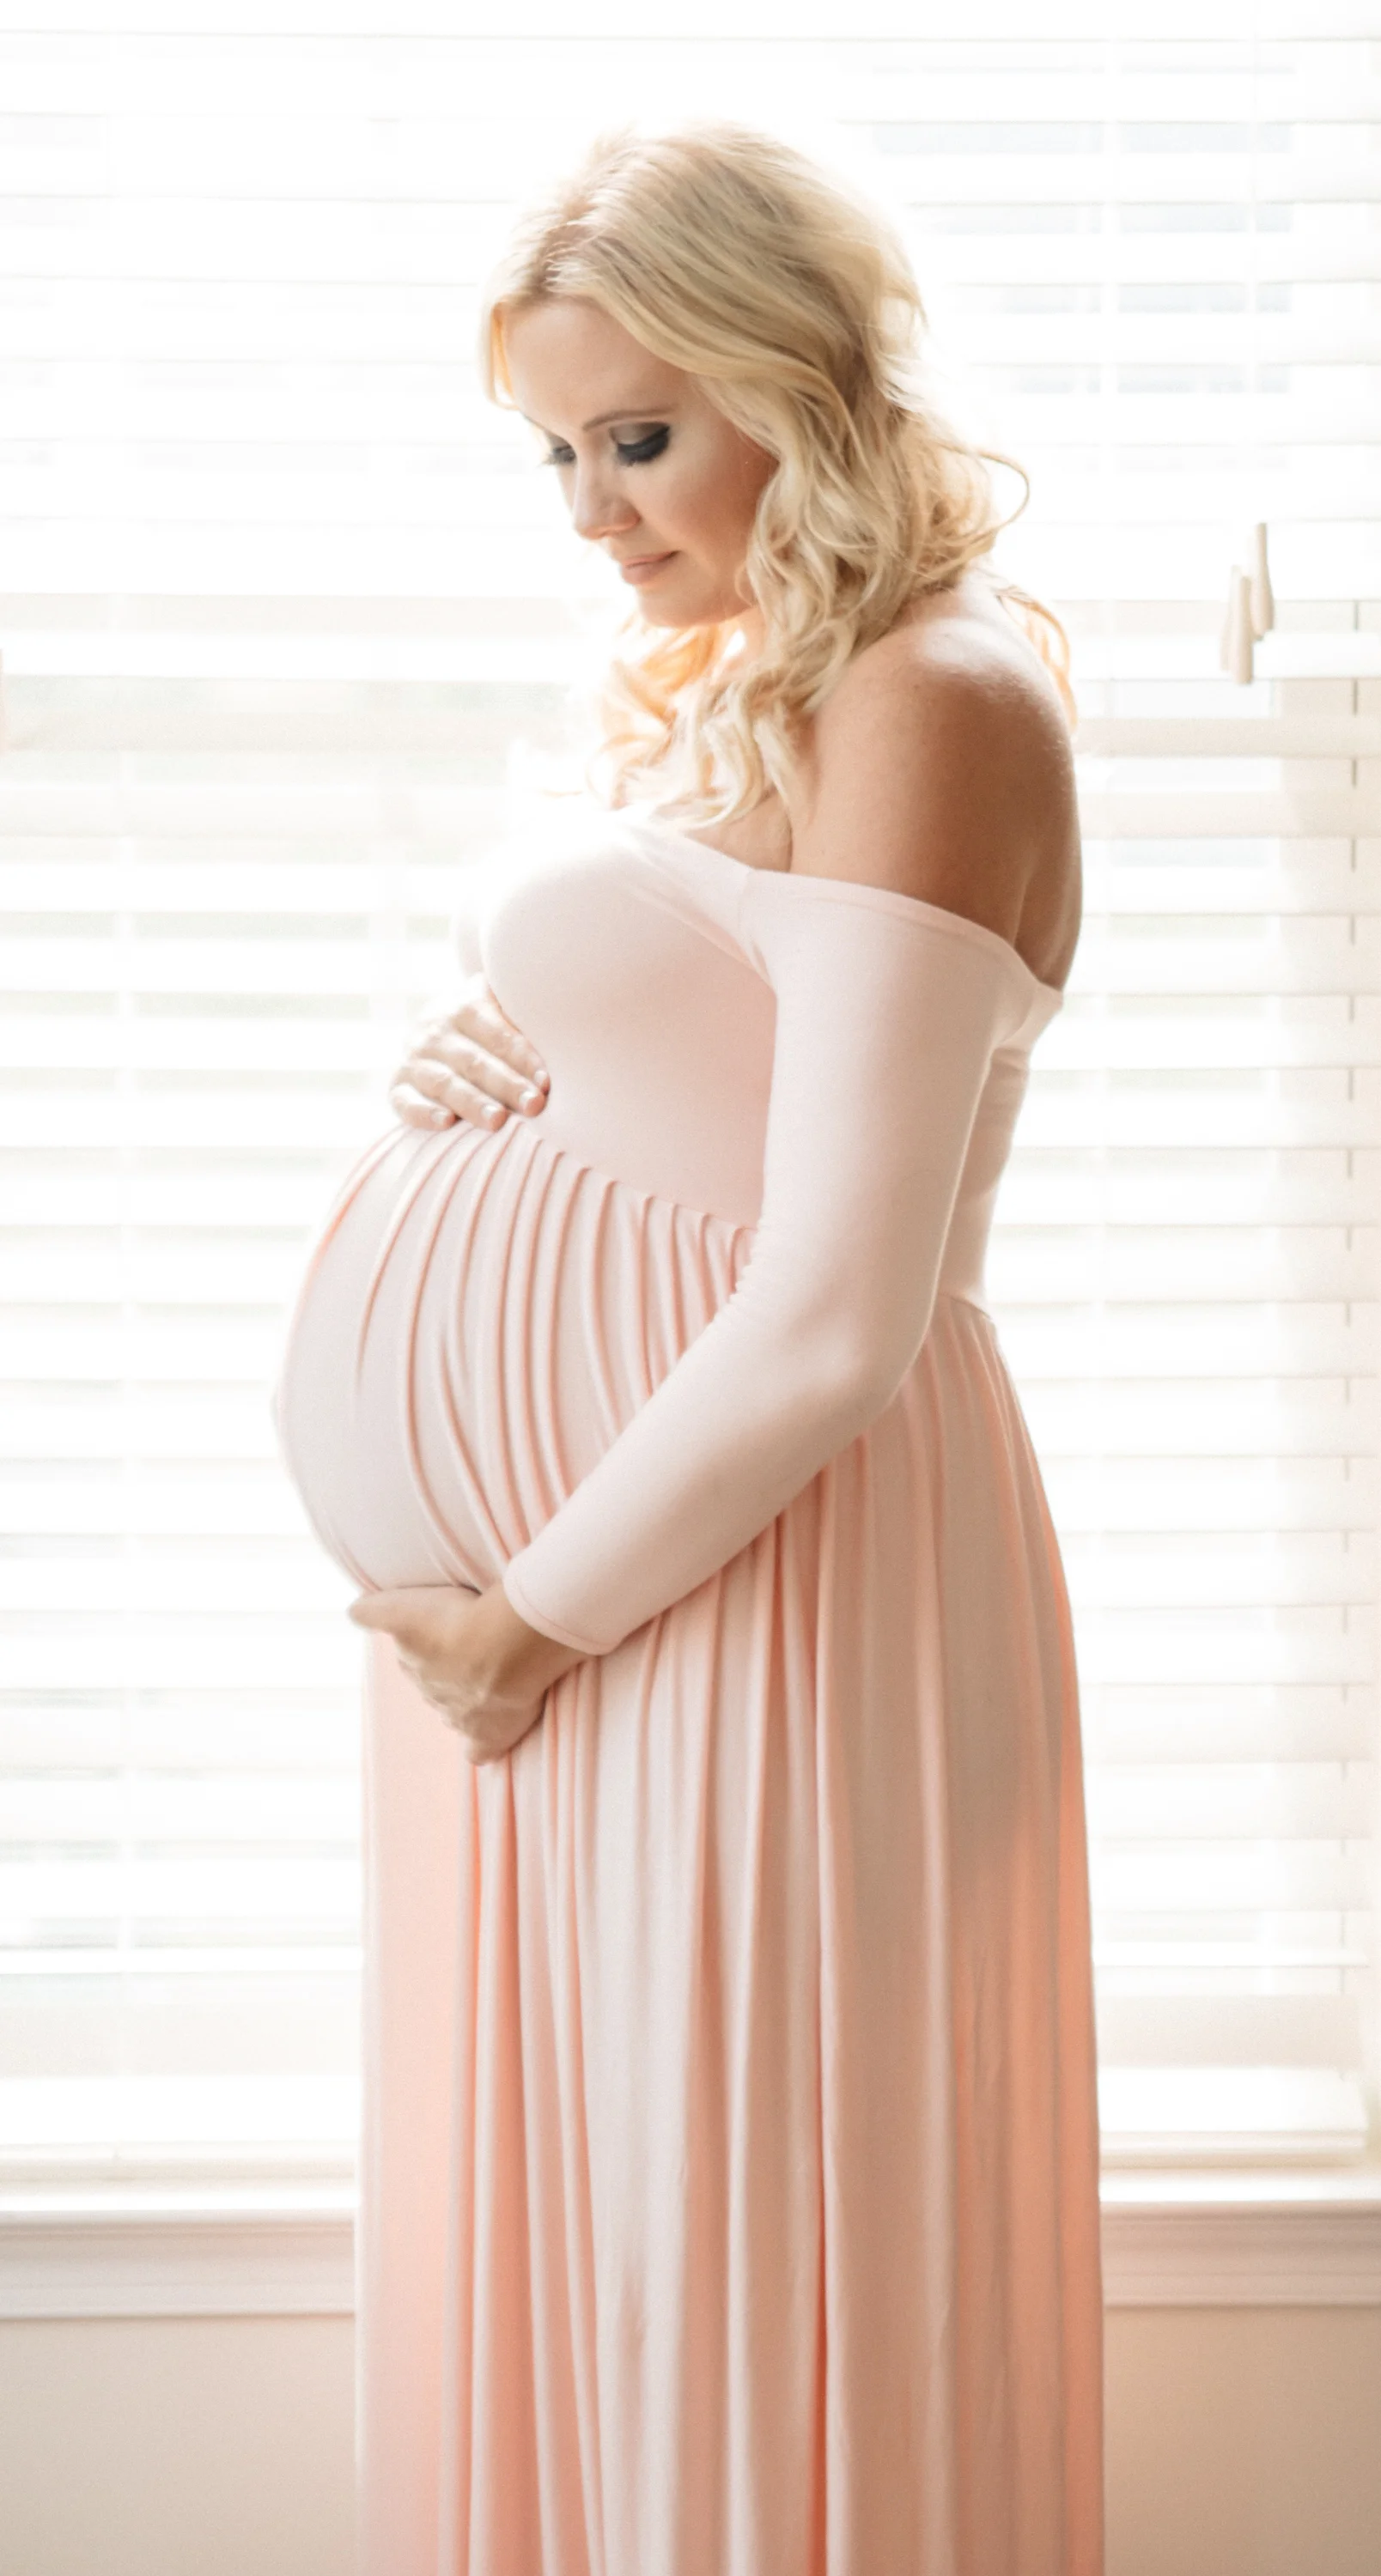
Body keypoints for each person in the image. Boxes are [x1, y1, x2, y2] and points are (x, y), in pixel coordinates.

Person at [272, 120, 1103, 2576]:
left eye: (637, 434)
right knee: (617, 2270)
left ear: (797, 380)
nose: (592, 512)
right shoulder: (765, 688)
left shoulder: (939, 693)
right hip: (608, 1617)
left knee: (735, 2278)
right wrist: (490, 1055)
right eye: (555, 453)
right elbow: (711, 1081)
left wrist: (528, 1619)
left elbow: (841, 1300)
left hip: (738, 1597)